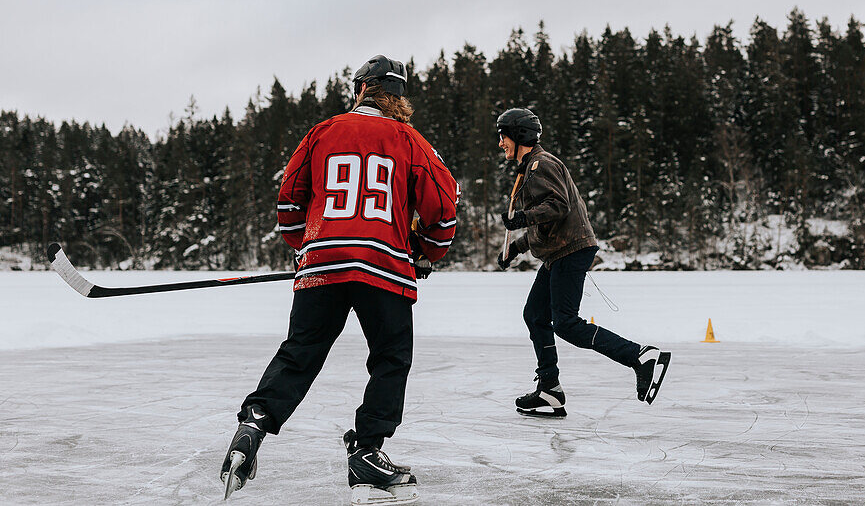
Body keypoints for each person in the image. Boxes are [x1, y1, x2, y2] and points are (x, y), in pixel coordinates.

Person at [220, 55, 459, 504]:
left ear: (361, 90)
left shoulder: (321, 132)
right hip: (383, 267)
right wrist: (425, 252)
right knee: (390, 357)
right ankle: (368, 450)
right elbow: (443, 208)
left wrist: (305, 248)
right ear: (397, 98)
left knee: (300, 352)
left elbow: (289, 203)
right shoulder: (409, 139)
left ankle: (253, 424)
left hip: (322, 264)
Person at [494, 108, 671, 418]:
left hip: (569, 250)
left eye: (503, 136)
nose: (500, 143)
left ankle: (640, 356)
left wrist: (522, 218)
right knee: (535, 315)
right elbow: (545, 221)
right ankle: (550, 389)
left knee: (565, 323)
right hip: (558, 251)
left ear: (519, 135)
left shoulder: (540, 164)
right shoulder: (531, 167)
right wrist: (517, 247)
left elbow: (558, 206)